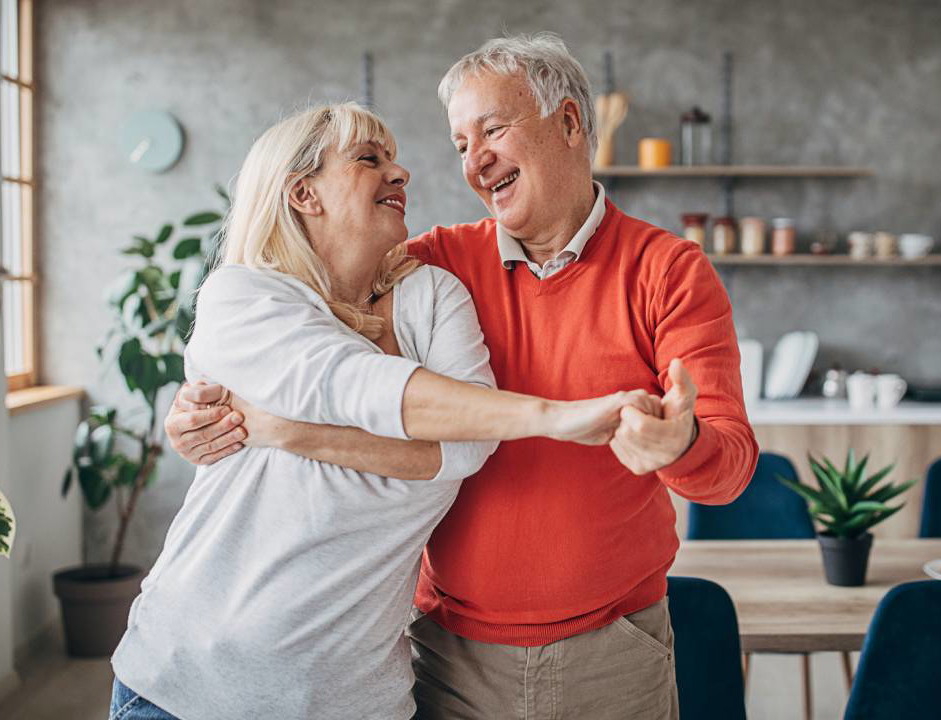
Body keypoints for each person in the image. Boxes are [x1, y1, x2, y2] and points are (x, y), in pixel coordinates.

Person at [166, 33, 759, 719]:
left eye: (493, 131)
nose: (474, 162)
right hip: (447, 655)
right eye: (459, 144)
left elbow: (729, 469)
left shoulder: (670, 271)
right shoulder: (427, 267)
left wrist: (681, 445)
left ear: (569, 122)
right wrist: (201, 409)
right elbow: (308, 348)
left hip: (614, 651)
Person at [109, 101, 659, 720]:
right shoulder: (242, 295)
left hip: (359, 699)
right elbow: (350, 383)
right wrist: (553, 417)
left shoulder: (433, 295)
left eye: (394, 159)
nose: (400, 173)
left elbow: (468, 447)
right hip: (191, 685)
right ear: (303, 194)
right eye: (368, 159)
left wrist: (287, 432)